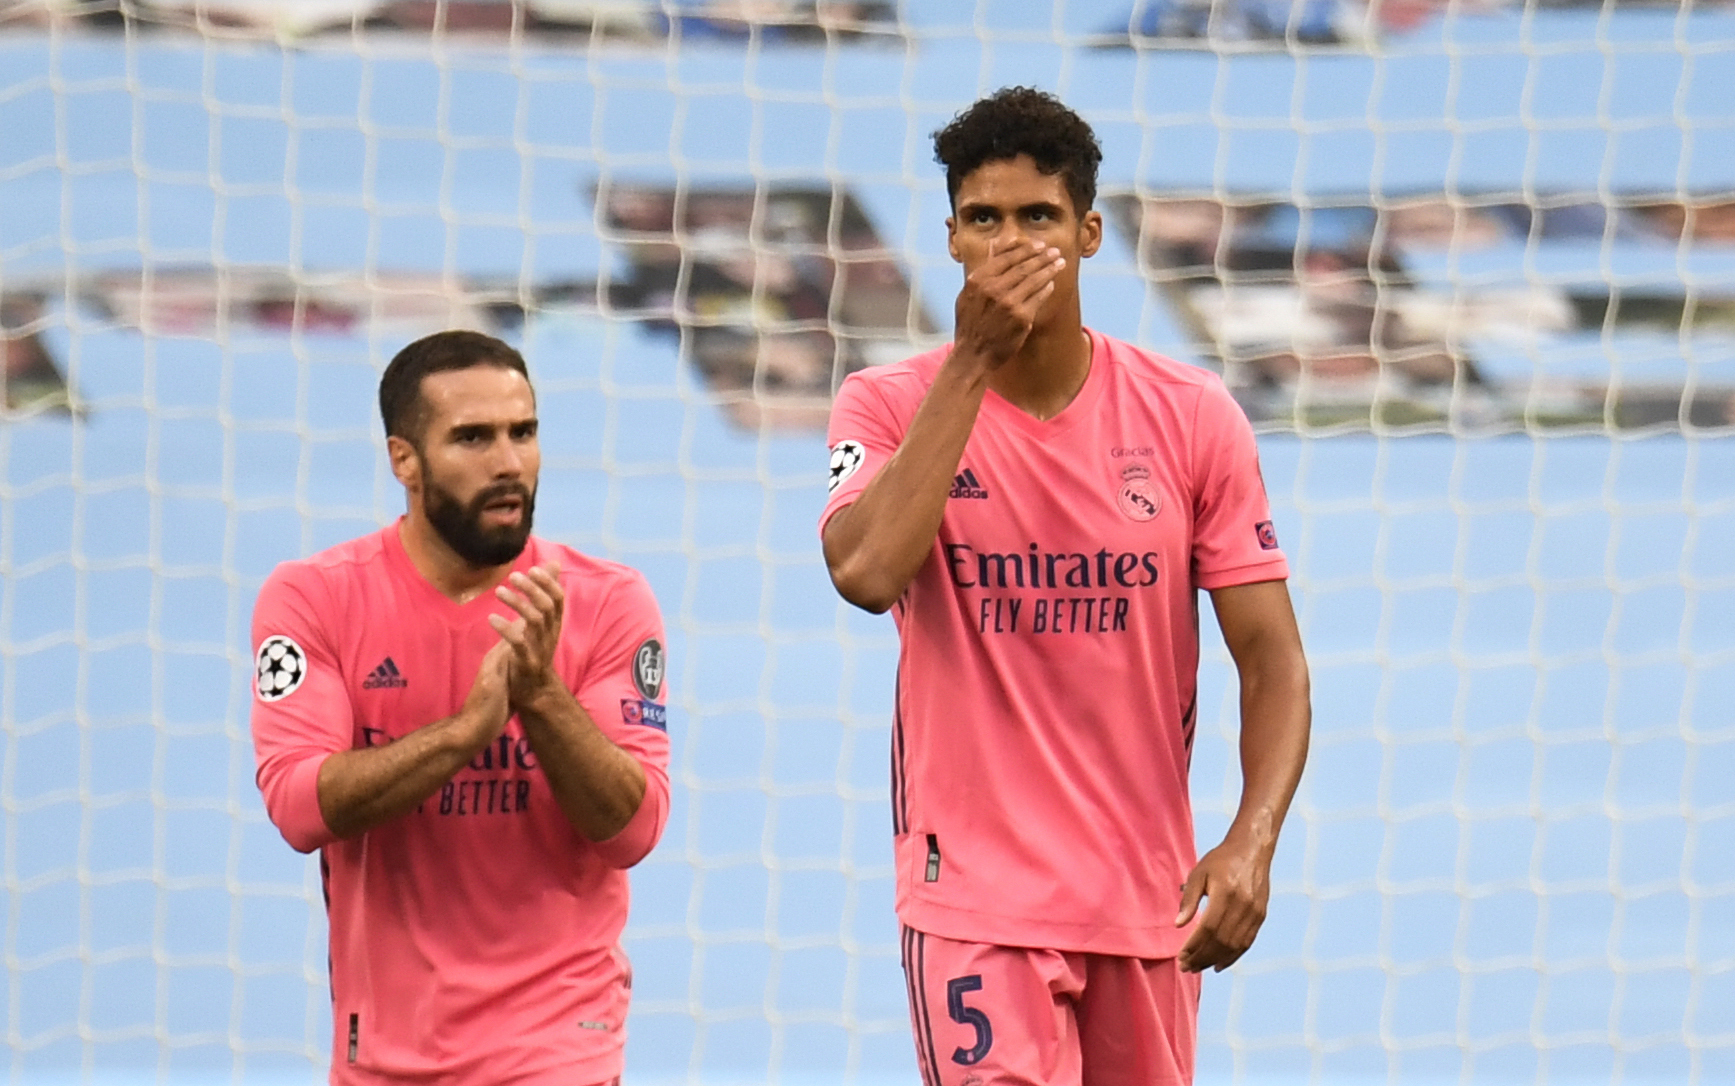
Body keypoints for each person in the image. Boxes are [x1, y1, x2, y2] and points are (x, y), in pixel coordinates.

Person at [819, 88, 1311, 1086]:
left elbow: (1273, 661)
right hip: (976, 906)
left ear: (1089, 234)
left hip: (1146, 904)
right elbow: (866, 574)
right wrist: (970, 362)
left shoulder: (1190, 417)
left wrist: (1250, 840)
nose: (1010, 243)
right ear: (950, 237)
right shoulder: (884, 404)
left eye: (1037, 216)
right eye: (983, 219)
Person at [249, 330, 671, 1086]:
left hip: (559, 1044)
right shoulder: (315, 598)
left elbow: (633, 829)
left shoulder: (605, 602)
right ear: (403, 460)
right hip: (385, 1055)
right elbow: (297, 807)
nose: (508, 462)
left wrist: (538, 695)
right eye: (472, 438)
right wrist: (465, 734)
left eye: (523, 432)